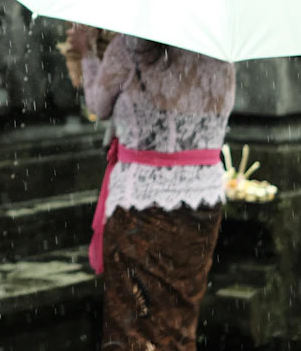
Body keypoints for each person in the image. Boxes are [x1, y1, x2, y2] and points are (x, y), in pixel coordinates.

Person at [64, 25, 236, 351]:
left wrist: (86, 52)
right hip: (202, 202)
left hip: (140, 204)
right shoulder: (222, 52)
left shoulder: (129, 47)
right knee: (178, 320)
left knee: (135, 325)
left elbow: (98, 105)